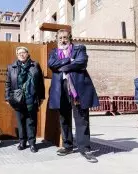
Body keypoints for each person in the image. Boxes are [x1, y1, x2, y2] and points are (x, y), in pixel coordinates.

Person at [48, 29, 99, 163]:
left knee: (82, 119)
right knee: (64, 118)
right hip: (60, 89)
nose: (63, 40)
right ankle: (68, 146)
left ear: (70, 38)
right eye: (60, 38)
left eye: (65, 37)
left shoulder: (79, 49)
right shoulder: (53, 52)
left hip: (77, 88)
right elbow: (51, 64)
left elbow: (82, 62)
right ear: (57, 39)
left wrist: (64, 66)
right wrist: (69, 60)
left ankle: (85, 149)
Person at [5, 46, 45, 153]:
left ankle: (32, 143)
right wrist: (7, 98)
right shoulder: (11, 67)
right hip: (17, 99)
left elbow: (40, 83)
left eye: (23, 52)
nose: (21, 55)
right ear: (17, 55)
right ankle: (22, 142)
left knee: (31, 121)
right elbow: (8, 84)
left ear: (27, 54)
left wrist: (41, 97)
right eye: (19, 53)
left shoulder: (35, 65)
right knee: (20, 121)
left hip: (31, 98)